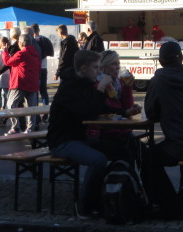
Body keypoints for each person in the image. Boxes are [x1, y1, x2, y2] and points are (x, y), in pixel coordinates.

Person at [47, 50, 141, 220]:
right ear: (84, 68)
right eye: (96, 68)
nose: (98, 72)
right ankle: (84, 205)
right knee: (98, 160)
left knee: (124, 151)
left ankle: (117, 194)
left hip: (81, 138)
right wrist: (100, 88)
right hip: (63, 141)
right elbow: (87, 112)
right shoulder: (69, 87)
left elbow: (100, 107)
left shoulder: (85, 83)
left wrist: (124, 112)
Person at [143, 41, 183, 219]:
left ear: (161, 61)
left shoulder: (158, 81)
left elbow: (151, 113)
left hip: (177, 147)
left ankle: (169, 204)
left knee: (147, 158)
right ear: (182, 58)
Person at [86, 50, 140, 163]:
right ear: (103, 67)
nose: (118, 67)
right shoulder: (98, 84)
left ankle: (129, 173)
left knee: (142, 151)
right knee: (130, 152)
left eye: (118, 63)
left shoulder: (118, 83)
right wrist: (125, 112)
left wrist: (128, 87)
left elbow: (127, 107)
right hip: (103, 133)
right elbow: (105, 110)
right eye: (114, 64)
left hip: (120, 131)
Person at [2, 34, 41, 134]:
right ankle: (30, 128)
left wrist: (5, 51)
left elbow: (8, 62)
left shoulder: (22, 53)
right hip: (33, 83)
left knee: (11, 105)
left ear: (22, 43)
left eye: (19, 42)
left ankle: (16, 127)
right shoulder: (35, 53)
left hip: (20, 83)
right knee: (31, 108)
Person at [31, 23, 54, 109]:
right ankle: (46, 110)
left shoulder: (31, 41)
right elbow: (51, 53)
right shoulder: (45, 40)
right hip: (44, 67)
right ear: (39, 30)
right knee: (43, 91)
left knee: (34, 91)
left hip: (34, 68)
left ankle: (36, 112)